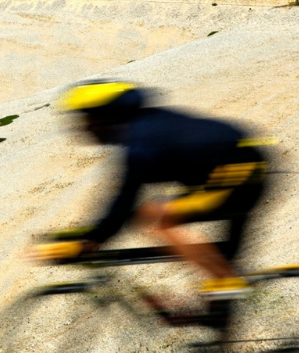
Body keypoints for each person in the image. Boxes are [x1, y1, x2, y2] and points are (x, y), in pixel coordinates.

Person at [38, 79, 272, 331]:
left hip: (238, 177)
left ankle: (228, 282)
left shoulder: (141, 140)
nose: (81, 128)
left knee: (156, 217)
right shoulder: (149, 124)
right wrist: (95, 234)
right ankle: (223, 331)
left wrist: (90, 240)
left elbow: (126, 198)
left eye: (84, 119)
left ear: (104, 117)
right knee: (219, 285)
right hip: (241, 170)